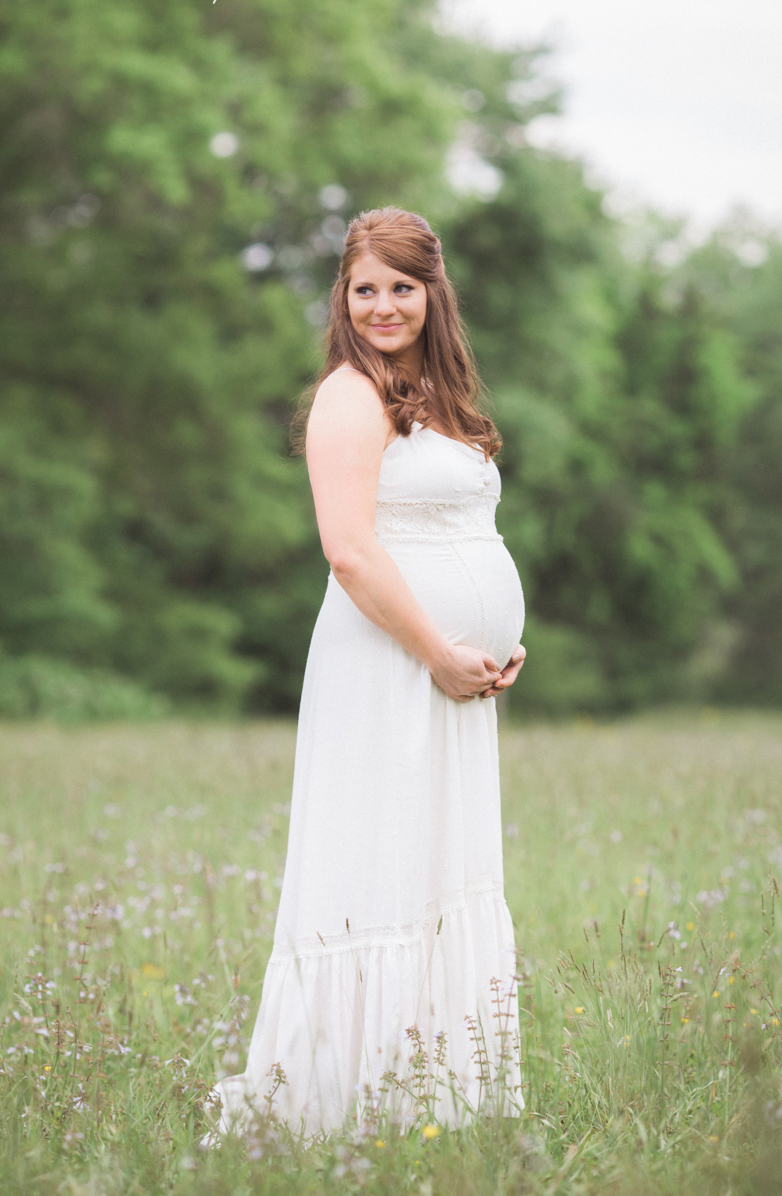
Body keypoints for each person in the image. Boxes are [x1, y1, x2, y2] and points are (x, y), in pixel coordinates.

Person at [212, 206, 527, 1138]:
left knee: (438, 866)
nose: (384, 305)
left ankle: (436, 1092)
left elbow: (470, 532)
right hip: (387, 667)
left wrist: (497, 641)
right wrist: (438, 649)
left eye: (402, 286)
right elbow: (349, 551)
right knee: (380, 866)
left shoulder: (442, 395)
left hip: (453, 677)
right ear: (342, 299)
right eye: (366, 289)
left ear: (435, 293)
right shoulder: (352, 394)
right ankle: (345, 1101)